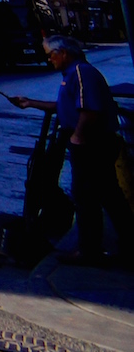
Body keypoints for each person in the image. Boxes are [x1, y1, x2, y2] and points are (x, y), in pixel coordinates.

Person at [8, 35, 133, 267]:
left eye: (50, 55)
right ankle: (118, 244)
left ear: (63, 53)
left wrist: (78, 136)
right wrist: (30, 103)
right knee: (107, 195)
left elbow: (90, 109)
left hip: (92, 144)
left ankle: (89, 250)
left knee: (86, 197)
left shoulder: (81, 73)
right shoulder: (72, 75)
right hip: (88, 142)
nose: (49, 60)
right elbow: (66, 106)